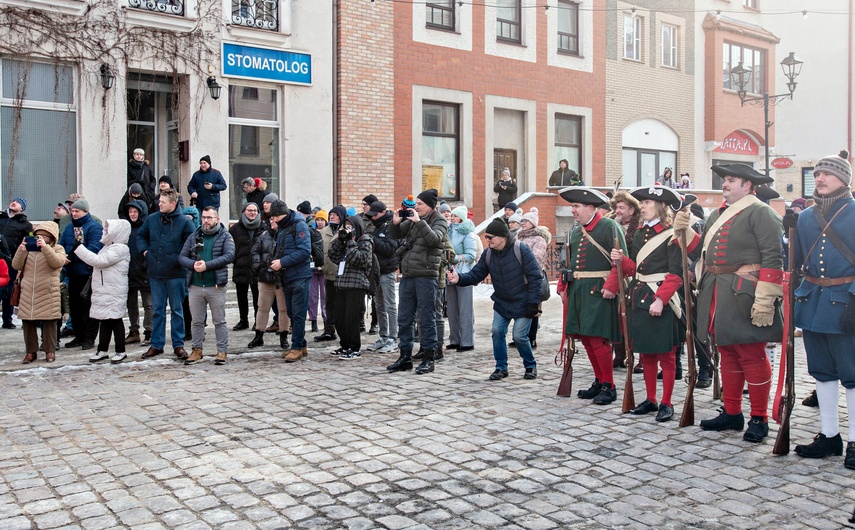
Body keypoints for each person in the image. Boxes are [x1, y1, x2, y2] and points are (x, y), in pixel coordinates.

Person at [675, 164, 783, 443]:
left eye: (731, 180)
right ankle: (732, 412)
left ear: (748, 186)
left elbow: (773, 258)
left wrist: (765, 300)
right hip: (717, 291)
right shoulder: (718, 214)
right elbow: (702, 252)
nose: (725, 184)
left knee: (752, 354)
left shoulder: (762, 212)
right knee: (727, 352)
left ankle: (759, 417)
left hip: (745, 291)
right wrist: (685, 232)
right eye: (724, 180)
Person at [789, 151, 855, 467]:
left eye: (827, 174)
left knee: (852, 375)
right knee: (822, 372)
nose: (820, 179)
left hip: (847, 303)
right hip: (813, 303)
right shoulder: (804, 217)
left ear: (844, 178)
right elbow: (799, 264)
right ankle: (830, 436)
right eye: (816, 174)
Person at [608, 186, 695, 422]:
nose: (642, 207)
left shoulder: (672, 233)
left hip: (661, 299)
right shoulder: (638, 233)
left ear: (659, 206)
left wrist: (660, 299)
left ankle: (667, 402)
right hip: (640, 297)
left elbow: (677, 273)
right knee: (647, 354)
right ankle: (651, 399)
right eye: (642, 203)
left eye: (646, 203)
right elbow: (636, 268)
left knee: (666, 355)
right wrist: (621, 260)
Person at [557, 187, 627, 405]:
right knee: (586, 338)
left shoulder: (609, 226)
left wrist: (612, 286)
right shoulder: (576, 232)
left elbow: (620, 260)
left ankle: (609, 385)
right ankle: (599, 380)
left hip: (599, 290)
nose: (573, 211)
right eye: (572, 207)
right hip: (578, 290)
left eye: (576, 207)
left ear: (590, 207)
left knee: (599, 339)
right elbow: (567, 262)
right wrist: (562, 286)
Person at [448, 218, 541, 379]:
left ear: (502, 237)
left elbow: (535, 278)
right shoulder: (489, 253)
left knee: (519, 336)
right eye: (486, 237)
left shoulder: (522, 250)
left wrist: (533, 304)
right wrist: (459, 279)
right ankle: (501, 368)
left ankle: (530, 365)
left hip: (523, 301)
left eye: (490, 237)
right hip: (502, 301)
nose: (487, 240)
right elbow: (476, 274)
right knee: (497, 332)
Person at [386, 189, 449, 375]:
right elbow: (396, 235)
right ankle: (404, 356)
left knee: (426, 318)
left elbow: (435, 240)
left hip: (427, 275)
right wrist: (396, 223)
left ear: (430, 206)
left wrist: (419, 222)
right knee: (404, 318)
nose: (417, 207)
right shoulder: (414, 220)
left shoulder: (440, 220)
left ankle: (429, 357)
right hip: (408, 274)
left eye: (420, 204)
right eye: (417, 204)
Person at [137, 189, 196, 361]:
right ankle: (156, 344)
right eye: (159, 201)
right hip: (155, 273)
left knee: (177, 310)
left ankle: (178, 344)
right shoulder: (152, 219)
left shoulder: (185, 222)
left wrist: (179, 259)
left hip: (176, 274)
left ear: (173, 203)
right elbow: (141, 236)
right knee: (158, 311)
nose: (159, 204)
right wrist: (146, 252)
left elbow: (191, 244)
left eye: (162, 202)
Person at [179, 206, 235, 366]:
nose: (205, 221)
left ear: (217, 219)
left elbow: (229, 255)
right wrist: (193, 264)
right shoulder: (194, 236)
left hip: (215, 286)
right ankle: (196, 350)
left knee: (219, 321)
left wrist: (207, 265)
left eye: (209, 217)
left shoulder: (225, 236)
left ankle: (222, 351)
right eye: (204, 217)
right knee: (196, 321)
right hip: (195, 285)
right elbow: (181, 257)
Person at [73, 219, 131, 364]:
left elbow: (100, 261)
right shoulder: (108, 246)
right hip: (105, 290)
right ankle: (103, 349)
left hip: (114, 290)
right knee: (105, 320)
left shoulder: (119, 248)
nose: (105, 233)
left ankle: (120, 350)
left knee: (115, 320)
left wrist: (79, 248)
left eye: (108, 230)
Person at [268, 200, 313, 362]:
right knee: (292, 313)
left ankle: (296, 348)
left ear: (284, 214)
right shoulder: (283, 227)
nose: (274, 220)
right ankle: (301, 345)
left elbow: (304, 251)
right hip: (287, 276)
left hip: (300, 276)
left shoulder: (299, 226)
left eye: (276, 217)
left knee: (298, 314)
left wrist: (282, 262)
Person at [13, 222, 62, 363]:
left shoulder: (58, 248)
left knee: (49, 322)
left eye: (43, 236)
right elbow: (16, 265)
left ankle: (50, 351)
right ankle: (30, 352)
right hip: (29, 291)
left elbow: (57, 262)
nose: (38, 238)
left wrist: (45, 248)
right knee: (28, 323)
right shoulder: (28, 250)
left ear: (51, 237)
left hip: (48, 291)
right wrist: (21, 250)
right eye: (37, 236)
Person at [328, 215, 374, 358]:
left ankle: (355, 348)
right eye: (346, 226)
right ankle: (345, 345)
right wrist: (341, 240)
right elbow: (333, 255)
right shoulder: (346, 241)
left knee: (351, 319)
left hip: (357, 284)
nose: (348, 229)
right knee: (339, 318)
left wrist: (351, 243)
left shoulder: (365, 240)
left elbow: (360, 260)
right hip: (342, 283)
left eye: (350, 227)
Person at [60, 199, 103, 350]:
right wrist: (63, 256)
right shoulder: (69, 228)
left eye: (77, 211)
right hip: (71, 273)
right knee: (75, 307)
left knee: (88, 308)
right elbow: (62, 244)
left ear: (85, 211)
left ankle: (89, 338)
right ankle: (79, 335)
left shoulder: (94, 227)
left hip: (87, 273)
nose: (74, 214)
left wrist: (71, 258)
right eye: (72, 211)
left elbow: (93, 248)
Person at [247, 204, 291, 351]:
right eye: (271, 219)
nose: (272, 221)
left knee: (283, 310)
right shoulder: (263, 236)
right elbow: (255, 253)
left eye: (275, 219)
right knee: (262, 308)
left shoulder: (286, 235)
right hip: (265, 278)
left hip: (281, 279)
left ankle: (284, 335)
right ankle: (259, 335)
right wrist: (258, 267)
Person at [608, 190, 642, 371]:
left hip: (636, 275)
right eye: (617, 207)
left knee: (637, 319)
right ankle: (620, 354)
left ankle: (642, 357)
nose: (618, 211)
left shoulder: (641, 227)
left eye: (622, 207)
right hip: (616, 275)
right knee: (618, 318)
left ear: (631, 210)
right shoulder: (610, 224)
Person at [365, 201, 399, 354]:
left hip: (388, 270)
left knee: (390, 305)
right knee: (379, 306)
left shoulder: (392, 226)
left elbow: (390, 249)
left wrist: (373, 240)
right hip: (377, 272)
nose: (373, 218)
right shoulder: (376, 227)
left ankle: (393, 337)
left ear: (383, 212)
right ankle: (383, 336)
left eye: (376, 215)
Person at [515, 207, 550, 349]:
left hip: (532, 278)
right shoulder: (518, 236)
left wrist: (519, 262)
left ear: (533, 223)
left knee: (534, 308)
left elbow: (537, 257)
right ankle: (520, 335)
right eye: (522, 220)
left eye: (526, 220)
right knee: (519, 306)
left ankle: (531, 337)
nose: (522, 223)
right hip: (517, 277)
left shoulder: (539, 238)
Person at [445, 206, 477, 353]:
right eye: (451, 215)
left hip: (464, 274)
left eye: (455, 216)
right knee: (451, 308)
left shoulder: (468, 234)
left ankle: (467, 340)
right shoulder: (448, 231)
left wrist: (455, 258)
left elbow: (471, 255)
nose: (451, 218)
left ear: (462, 218)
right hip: (449, 273)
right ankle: (455, 339)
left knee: (465, 309)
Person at [315, 205, 348, 343]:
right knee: (329, 303)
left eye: (335, 215)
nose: (332, 217)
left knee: (342, 304)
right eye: (331, 214)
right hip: (327, 272)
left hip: (342, 274)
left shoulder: (345, 230)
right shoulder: (324, 231)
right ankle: (329, 330)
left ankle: (344, 331)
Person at [0, 197, 32, 329]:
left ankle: (7, 319)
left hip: (10, 261)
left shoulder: (24, 224)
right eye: (13, 200)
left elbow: (27, 243)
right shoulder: (0, 217)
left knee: (8, 290)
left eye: (18, 202)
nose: (14, 202)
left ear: (22, 209)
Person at [229, 202, 261, 331]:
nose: (252, 212)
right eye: (249, 210)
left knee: (257, 297)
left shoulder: (263, 227)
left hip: (257, 269)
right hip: (241, 267)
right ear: (244, 212)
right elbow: (230, 247)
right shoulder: (235, 229)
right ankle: (243, 320)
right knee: (241, 297)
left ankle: (257, 321)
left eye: (255, 210)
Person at [124, 200, 152, 345]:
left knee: (148, 304)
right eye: (130, 212)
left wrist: (145, 264)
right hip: (129, 271)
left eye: (135, 212)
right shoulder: (126, 228)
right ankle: (134, 331)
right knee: (131, 304)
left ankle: (149, 332)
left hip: (144, 271)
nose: (132, 214)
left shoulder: (147, 227)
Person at [308, 209, 329, 335]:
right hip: (313, 268)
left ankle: (326, 320)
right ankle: (313, 320)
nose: (320, 222)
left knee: (325, 296)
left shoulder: (328, 233)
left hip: (324, 269)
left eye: (322, 220)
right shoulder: (312, 232)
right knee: (313, 295)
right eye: (318, 220)